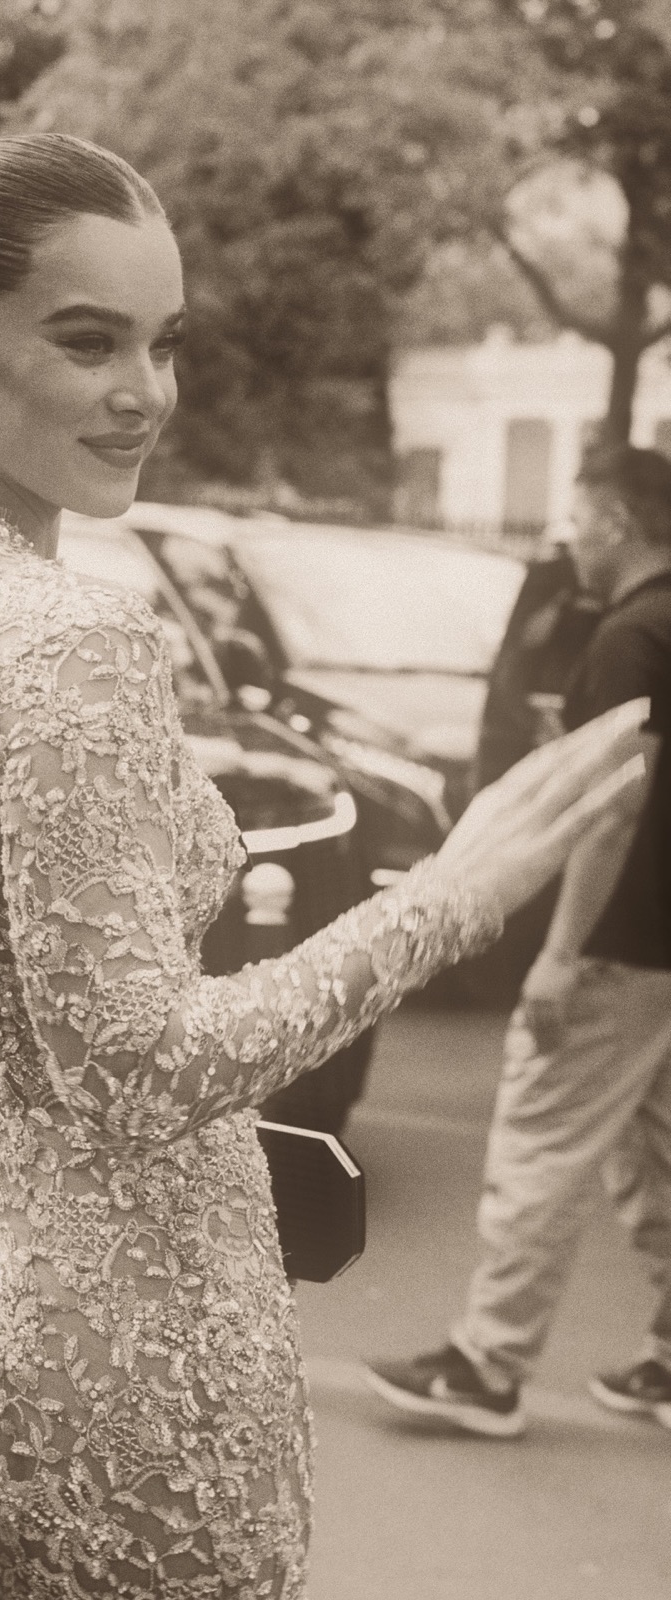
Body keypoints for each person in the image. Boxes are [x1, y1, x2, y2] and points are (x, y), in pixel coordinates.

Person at [0, 108, 648, 1598]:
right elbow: (136, 1068)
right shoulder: (68, 640)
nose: (145, 393)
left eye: (165, 343)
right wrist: (445, 902)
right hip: (128, 1362)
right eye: (88, 341)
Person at [364, 443, 671, 1439]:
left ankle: (486, 1369)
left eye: (578, 520)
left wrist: (560, 952)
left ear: (617, 522)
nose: (568, 540)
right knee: (654, 1152)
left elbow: (613, 809)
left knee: (542, 1144)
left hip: (618, 944)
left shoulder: (631, 636)